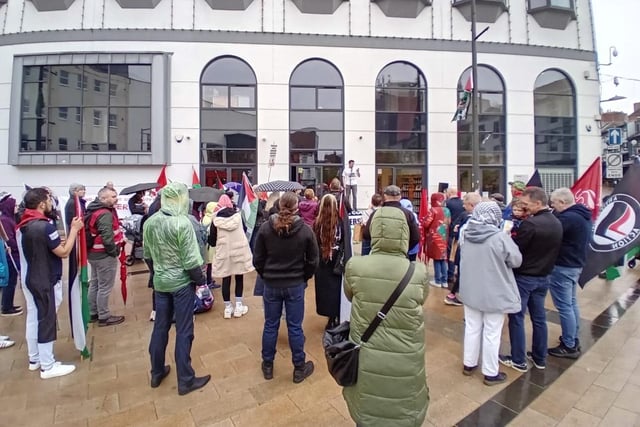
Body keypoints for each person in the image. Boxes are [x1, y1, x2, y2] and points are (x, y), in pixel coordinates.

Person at [343, 206, 429, 427]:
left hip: (368, 350)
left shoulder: (355, 266)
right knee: (404, 403)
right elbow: (422, 299)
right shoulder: (417, 271)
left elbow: (350, 295)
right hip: (406, 351)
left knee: (368, 404)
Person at [142, 182, 211, 395]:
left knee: (160, 327)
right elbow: (191, 262)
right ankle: (185, 379)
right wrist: (201, 281)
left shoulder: (150, 222)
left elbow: (147, 255)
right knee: (184, 330)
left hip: (161, 283)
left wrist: (157, 274)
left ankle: (156, 371)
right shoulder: (182, 223)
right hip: (181, 284)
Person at [253, 192, 319, 383]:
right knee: (295, 326)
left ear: (280, 205)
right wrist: (303, 276)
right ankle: (299, 367)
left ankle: (267, 364)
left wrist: (266, 274)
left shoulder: (266, 228)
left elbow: (257, 259)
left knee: (270, 324)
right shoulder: (305, 231)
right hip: (294, 284)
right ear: (297, 206)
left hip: (273, 284)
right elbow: (313, 261)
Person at [17, 187, 83, 378]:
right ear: (41, 204)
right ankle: (47, 365)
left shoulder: (25, 225)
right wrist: (74, 231)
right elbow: (63, 252)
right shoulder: (45, 227)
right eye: (48, 200)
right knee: (47, 320)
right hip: (45, 279)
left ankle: (35, 358)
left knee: (34, 318)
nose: (50, 203)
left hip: (32, 277)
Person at [459, 202, 522, 386]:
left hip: (471, 289)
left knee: (472, 328)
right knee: (492, 332)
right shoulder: (499, 238)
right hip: (495, 291)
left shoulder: (466, 233)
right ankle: (490, 372)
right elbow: (516, 260)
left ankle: (469, 364)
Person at [500, 187, 562, 372]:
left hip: (525, 277)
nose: (524, 208)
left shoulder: (530, 225)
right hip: (544, 276)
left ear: (537, 202)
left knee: (517, 317)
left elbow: (516, 251)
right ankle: (540, 357)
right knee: (539, 317)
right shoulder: (556, 222)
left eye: (526, 204)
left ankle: (518, 359)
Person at [547, 188, 592, 359]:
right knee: (571, 303)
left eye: (554, 203)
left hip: (563, 265)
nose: (552, 206)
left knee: (565, 306)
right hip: (574, 264)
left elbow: (551, 233)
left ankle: (569, 345)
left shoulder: (568, 218)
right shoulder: (582, 215)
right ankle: (572, 336)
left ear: (562, 202)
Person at [85, 186, 125, 326]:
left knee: (95, 283)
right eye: (112, 196)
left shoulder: (93, 209)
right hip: (103, 255)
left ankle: (93, 312)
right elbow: (107, 236)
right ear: (103, 198)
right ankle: (104, 315)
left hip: (94, 254)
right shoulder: (104, 213)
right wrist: (113, 251)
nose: (116, 198)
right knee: (105, 286)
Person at [210, 195, 254, 319]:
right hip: (238, 251)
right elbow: (245, 230)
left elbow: (212, 241)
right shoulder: (238, 216)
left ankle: (228, 308)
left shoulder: (215, 220)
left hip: (224, 253)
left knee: (226, 278)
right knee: (239, 276)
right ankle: (239, 306)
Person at [312, 194, 345, 330]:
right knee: (335, 290)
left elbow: (314, 242)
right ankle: (335, 316)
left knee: (324, 290)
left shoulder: (317, 222)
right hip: (336, 261)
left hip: (322, 261)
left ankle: (330, 318)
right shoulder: (340, 222)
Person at [444, 192, 482, 306]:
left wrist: (457, 230)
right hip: (467, 251)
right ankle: (456, 294)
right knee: (462, 273)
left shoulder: (468, 217)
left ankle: (456, 294)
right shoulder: (468, 216)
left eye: (465, 204)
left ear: (472, 205)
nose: (463, 206)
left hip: (467, 251)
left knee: (463, 273)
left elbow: (459, 232)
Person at [362, 185, 420, 251]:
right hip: (400, 255)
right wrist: (404, 249)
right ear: (400, 197)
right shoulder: (408, 214)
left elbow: (366, 235)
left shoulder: (376, 213)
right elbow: (415, 237)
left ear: (385, 196)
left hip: (379, 254)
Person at [0, 193, 22, 316]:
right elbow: (8, 239)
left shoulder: (9, 219)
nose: (17, 208)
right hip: (11, 255)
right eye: (15, 205)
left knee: (12, 280)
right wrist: (18, 248)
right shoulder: (4, 220)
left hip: (13, 253)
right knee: (10, 280)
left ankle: (9, 304)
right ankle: (6, 307)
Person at [422, 193, 451, 288]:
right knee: (443, 258)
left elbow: (426, 223)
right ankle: (445, 280)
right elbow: (449, 222)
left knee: (436, 259)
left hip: (434, 237)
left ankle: (438, 280)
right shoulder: (447, 210)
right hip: (444, 237)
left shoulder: (433, 210)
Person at [200, 201, 219, 289]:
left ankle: (209, 280)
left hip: (206, 245)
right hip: (209, 246)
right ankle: (209, 281)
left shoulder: (205, 217)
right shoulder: (211, 219)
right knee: (209, 264)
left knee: (208, 263)